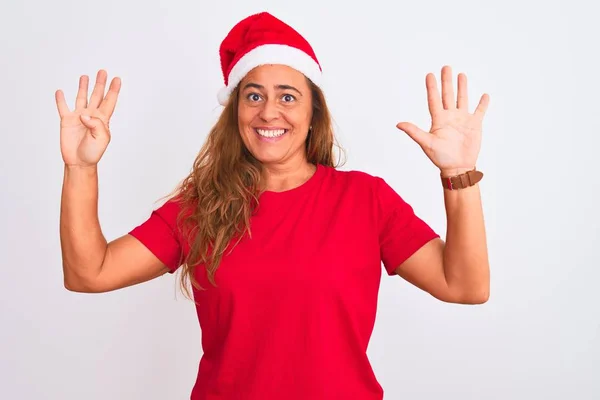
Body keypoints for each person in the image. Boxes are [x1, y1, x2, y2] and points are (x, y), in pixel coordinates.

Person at [56, 11, 490, 400]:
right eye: (253, 95)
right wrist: (80, 167)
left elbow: (465, 286)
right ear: (237, 110)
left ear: (313, 112)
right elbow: (89, 273)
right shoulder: (200, 207)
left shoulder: (365, 199)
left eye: (287, 96)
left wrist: (459, 175)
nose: (268, 112)